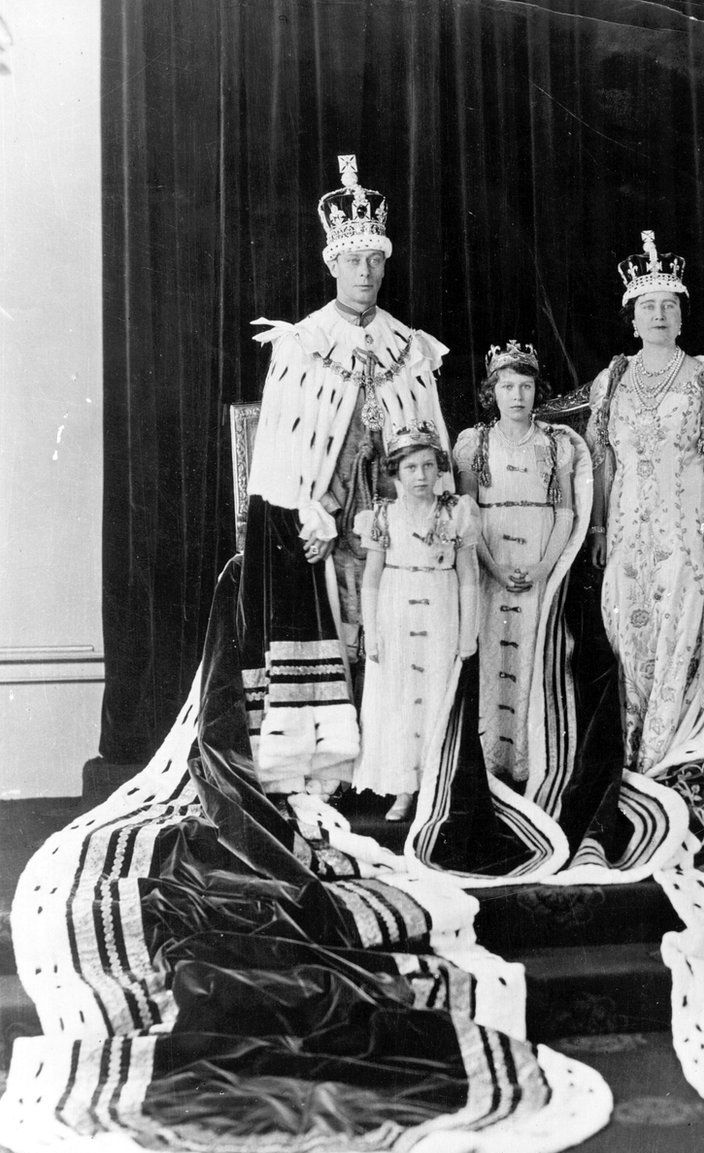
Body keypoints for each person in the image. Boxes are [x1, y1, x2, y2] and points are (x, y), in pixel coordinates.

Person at [242, 154, 452, 796]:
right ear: (332, 264)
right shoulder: (300, 345)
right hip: (323, 519)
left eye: (375, 261)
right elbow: (278, 452)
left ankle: (394, 764)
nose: (365, 273)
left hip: (393, 514)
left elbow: (432, 445)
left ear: (385, 264)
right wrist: (309, 515)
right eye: (353, 262)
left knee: (391, 630)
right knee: (337, 627)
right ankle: (330, 763)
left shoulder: (409, 346)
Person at [585, 230, 704, 775]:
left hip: (686, 528)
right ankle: (632, 743)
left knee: (678, 624)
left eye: (668, 306)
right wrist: (596, 530)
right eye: (647, 306)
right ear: (632, 317)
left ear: (681, 317)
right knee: (625, 621)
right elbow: (601, 463)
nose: (658, 315)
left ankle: (665, 752)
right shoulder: (612, 379)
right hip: (624, 530)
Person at [454, 342, 575, 785]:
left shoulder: (555, 444)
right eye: (507, 386)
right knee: (492, 652)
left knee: (534, 654)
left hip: (540, 558)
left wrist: (545, 565)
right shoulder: (475, 442)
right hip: (492, 561)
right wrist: (492, 566)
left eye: (525, 386)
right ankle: (491, 760)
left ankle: (530, 761)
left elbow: (565, 512)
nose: (517, 396)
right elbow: (467, 514)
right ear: (493, 391)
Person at [352, 422, 480, 820]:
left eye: (428, 466)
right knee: (399, 699)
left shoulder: (456, 512)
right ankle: (403, 788)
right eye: (410, 468)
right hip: (396, 611)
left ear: (440, 468)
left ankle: (435, 783)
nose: (421, 476)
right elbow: (371, 581)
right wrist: (371, 632)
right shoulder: (382, 516)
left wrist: (468, 634)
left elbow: (470, 577)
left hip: (441, 611)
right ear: (395, 472)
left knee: (436, 696)